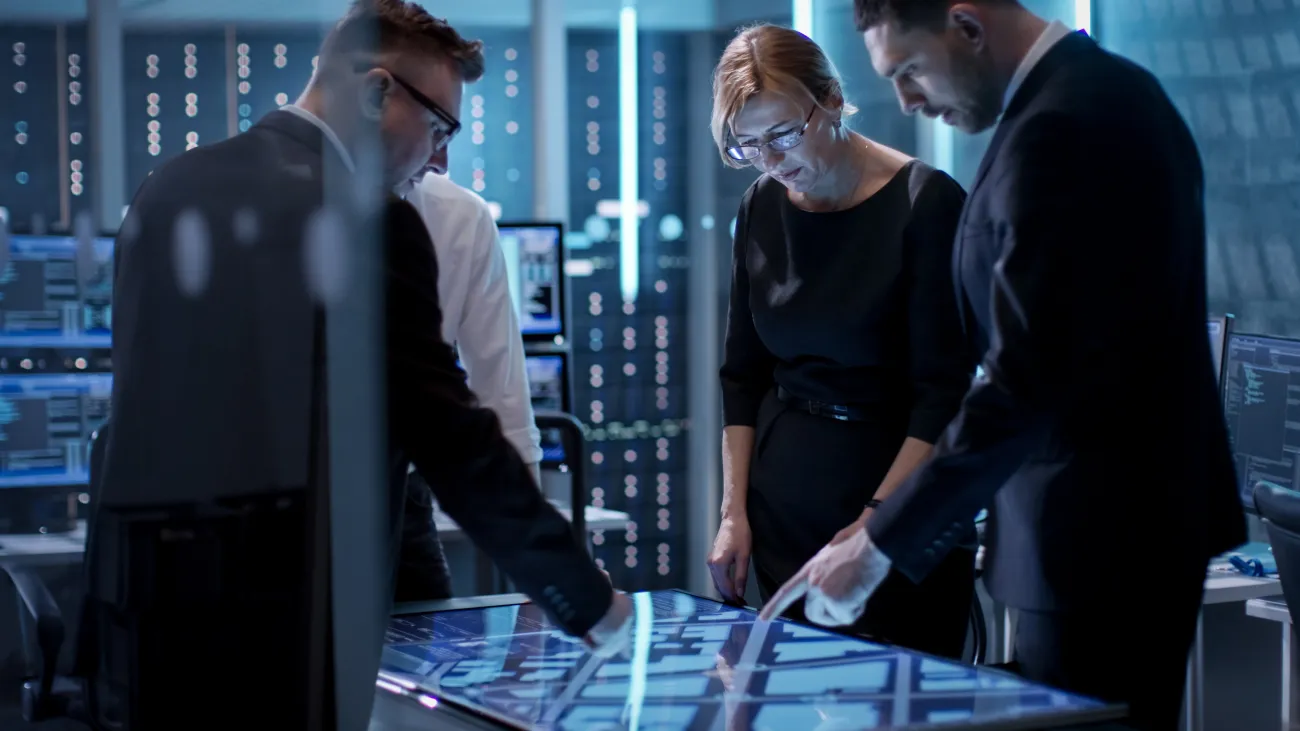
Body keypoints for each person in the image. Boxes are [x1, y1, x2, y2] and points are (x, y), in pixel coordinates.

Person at [89, 0, 632, 718]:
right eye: (439, 128)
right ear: (377, 92)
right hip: (290, 617)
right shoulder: (370, 219)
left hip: (144, 617)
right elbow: (448, 433)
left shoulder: (166, 189)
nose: (440, 158)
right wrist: (581, 593)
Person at [762, 1, 1247, 728]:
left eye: (909, 69)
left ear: (967, 26)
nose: (905, 100)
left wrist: (879, 542)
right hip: (1098, 535)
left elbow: (1026, 377)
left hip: (1100, 541)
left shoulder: (1067, 124)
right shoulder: (1077, 100)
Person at [705, 23, 975, 660]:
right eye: (748, 145)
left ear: (830, 101)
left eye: (783, 135)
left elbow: (944, 395)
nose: (772, 161)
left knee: (900, 693)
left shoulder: (925, 203)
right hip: (783, 507)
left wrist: (874, 526)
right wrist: (732, 512)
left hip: (899, 507)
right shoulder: (761, 204)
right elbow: (742, 374)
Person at [394, 172, 544, 600]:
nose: (440, 160)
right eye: (436, 137)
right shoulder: (270, 196)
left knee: (426, 633)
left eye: (449, 140)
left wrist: (541, 575)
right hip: (279, 500)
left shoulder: (460, 215)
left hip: (401, 499)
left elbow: (504, 399)